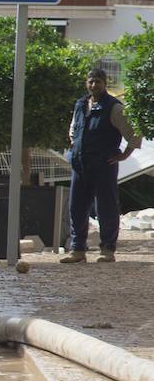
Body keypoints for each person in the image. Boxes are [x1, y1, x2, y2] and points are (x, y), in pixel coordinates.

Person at [60, 67, 142, 263]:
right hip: (80, 164)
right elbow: (73, 129)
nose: (93, 85)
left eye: (98, 81)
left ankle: (107, 249)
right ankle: (78, 250)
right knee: (77, 207)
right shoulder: (80, 104)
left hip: (104, 165)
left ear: (105, 84)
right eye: (90, 81)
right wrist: (74, 147)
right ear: (86, 83)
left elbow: (134, 134)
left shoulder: (114, 107)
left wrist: (124, 155)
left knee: (106, 206)